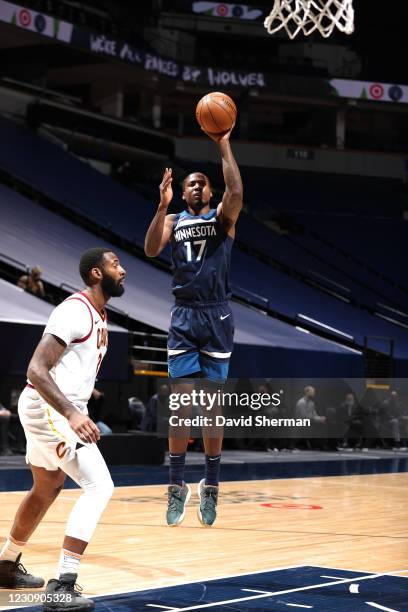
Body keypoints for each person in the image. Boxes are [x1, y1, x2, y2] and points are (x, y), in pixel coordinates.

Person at [0, 248, 126, 611]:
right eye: (115, 264)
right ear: (96, 274)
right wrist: (72, 413)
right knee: (100, 486)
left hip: (53, 407)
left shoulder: (100, 316)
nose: (124, 270)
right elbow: (36, 370)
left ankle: (6, 564)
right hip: (49, 407)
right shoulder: (75, 310)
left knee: (46, 487)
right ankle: (62, 586)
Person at [144, 124, 243, 527]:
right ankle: (176, 485)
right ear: (183, 193)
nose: (198, 187)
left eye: (203, 183)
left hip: (216, 314)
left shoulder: (224, 219)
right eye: (191, 184)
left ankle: (212, 485)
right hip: (184, 314)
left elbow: (236, 193)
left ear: (211, 191)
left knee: (212, 410)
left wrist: (224, 144)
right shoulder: (173, 219)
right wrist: (160, 206)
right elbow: (151, 248)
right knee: (182, 406)